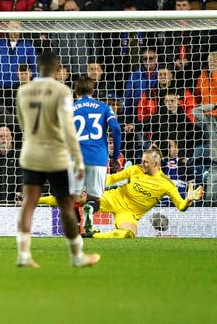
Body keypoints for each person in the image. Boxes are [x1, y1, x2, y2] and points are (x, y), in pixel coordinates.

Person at [15, 51, 99, 268]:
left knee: (29, 204)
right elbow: (69, 128)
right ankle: (76, 255)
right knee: (66, 206)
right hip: (56, 156)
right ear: (57, 69)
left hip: (31, 153)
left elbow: (23, 124)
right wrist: (79, 160)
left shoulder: (23, 91)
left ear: (38, 67)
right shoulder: (62, 91)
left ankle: (24, 254)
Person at [91, 147, 203, 238]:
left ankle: (93, 235)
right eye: (142, 161)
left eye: (146, 162)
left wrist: (188, 200)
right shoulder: (135, 169)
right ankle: (82, 224)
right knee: (82, 198)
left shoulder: (167, 184)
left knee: (128, 234)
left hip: (129, 214)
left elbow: (181, 207)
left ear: (155, 164)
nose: (142, 164)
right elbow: (112, 179)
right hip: (113, 198)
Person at [71, 76, 122, 237]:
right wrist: (115, 157)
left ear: (76, 91)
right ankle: (88, 223)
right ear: (93, 91)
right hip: (98, 158)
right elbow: (116, 129)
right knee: (95, 199)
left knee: (73, 197)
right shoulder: (105, 107)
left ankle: (76, 227)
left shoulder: (69, 109)